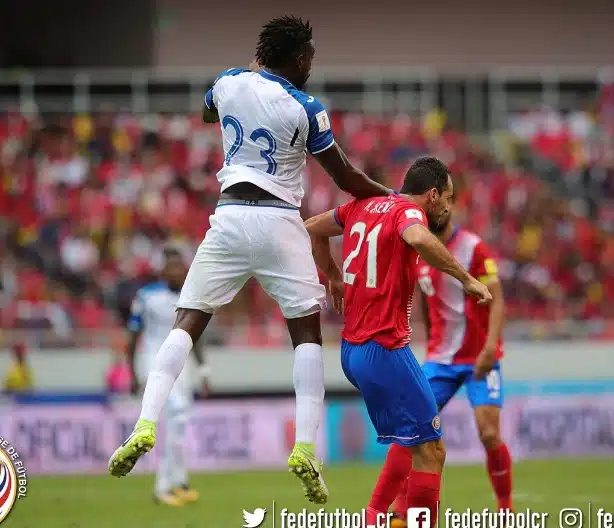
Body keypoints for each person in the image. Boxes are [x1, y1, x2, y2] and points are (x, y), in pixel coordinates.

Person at [108, 15, 392, 505]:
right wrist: (393, 197)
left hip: (231, 217)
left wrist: (249, 73)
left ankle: (145, 422)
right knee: (306, 335)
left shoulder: (228, 82)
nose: (312, 65)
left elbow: (207, 115)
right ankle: (306, 448)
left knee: (186, 321)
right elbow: (347, 179)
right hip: (280, 221)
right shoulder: (306, 108)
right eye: (310, 57)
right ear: (299, 58)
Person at [304, 157, 492, 528]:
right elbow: (419, 238)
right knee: (431, 451)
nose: (448, 207)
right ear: (433, 194)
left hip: (352, 351)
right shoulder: (408, 213)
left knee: (417, 443)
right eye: (447, 198)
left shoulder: (362, 205)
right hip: (384, 347)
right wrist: (466, 279)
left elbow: (312, 227)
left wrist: (333, 276)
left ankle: (379, 516)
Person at [389, 203, 511, 522]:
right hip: (440, 360)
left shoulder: (473, 247)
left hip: (479, 358)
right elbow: (426, 306)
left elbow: (497, 301)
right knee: (411, 429)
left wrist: (490, 348)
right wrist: (429, 347)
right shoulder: (418, 250)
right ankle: (401, 510)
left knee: (489, 433)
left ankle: (506, 509)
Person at [124, 247, 209, 506]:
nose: (175, 271)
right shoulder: (146, 296)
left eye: (179, 267)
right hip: (154, 362)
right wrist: (132, 371)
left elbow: (196, 336)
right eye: (170, 266)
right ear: (162, 270)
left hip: (182, 366)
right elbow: (133, 336)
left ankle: (179, 482)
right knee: (177, 414)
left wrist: (203, 370)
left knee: (179, 424)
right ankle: (162, 487)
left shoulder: (191, 295)